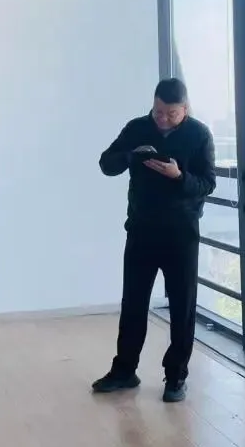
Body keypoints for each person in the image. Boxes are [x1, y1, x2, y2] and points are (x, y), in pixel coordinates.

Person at [92, 78, 216, 403]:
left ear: (184, 109)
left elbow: (207, 184)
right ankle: (124, 370)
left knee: (182, 308)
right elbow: (106, 164)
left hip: (181, 235)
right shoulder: (137, 128)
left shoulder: (199, 135)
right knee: (133, 303)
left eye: (170, 114)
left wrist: (179, 176)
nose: (162, 119)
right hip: (141, 230)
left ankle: (176, 377)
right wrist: (130, 156)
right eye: (158, 111)